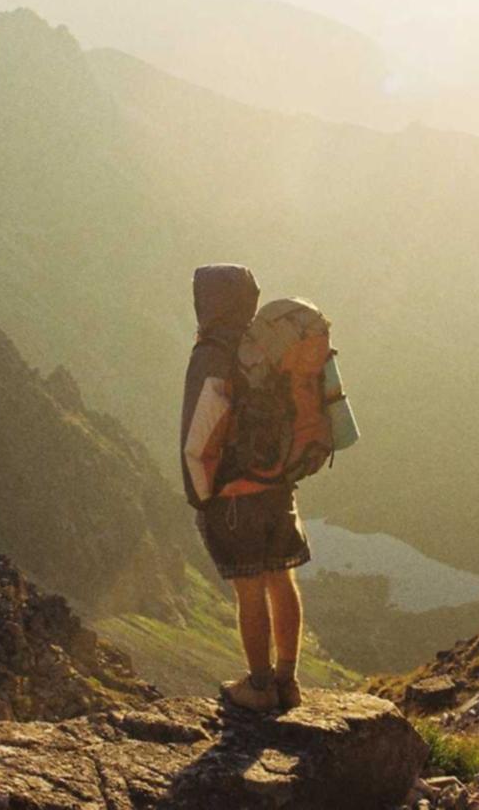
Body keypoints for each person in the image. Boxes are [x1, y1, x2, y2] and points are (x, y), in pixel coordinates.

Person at [180, 264, 311, 712]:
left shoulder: (212, 354)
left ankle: (258, 687)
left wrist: (202, 496)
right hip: (278, 486)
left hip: (234, 497)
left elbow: (199, 437)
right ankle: (288, 682)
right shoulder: (267, 348)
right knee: (282, 577)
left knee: (249, 589)